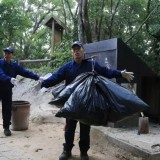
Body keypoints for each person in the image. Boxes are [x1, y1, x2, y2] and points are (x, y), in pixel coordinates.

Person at [34, 41, 134, 160]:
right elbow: (56, 77)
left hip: (87, 104)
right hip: (71, 103)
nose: (77, 51)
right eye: (74, 49)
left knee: (85, 128)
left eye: (79, 49)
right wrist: (43, 84)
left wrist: (120, 74)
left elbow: (106, 71)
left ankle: (83, 152)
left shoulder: (91, 65)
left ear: (83, 51)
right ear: (72, 52)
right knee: (69, 128)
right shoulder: (67, 67)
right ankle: (67, 150)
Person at [0, 47, 40, 136]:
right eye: (5, 53)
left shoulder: (14, 66)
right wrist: (10, 79)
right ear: (3, 54)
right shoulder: (0, 63)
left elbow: (25, 72)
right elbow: (1, 74)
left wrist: (37, 77)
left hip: (7, 89)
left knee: (7, 108)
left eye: (9, 53)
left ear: (12, 55)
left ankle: (6, 128)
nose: (7, 55)